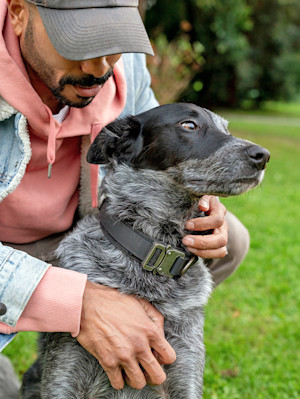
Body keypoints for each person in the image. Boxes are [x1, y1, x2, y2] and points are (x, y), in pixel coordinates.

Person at [0, 0, 249, 391]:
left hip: (81, 228)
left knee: (231, 238)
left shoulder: (123, 68)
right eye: (78, 41)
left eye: (112, 41)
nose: (98, 69)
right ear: (18, 13)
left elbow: (163, 138)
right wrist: (77, 301)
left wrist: (203, 197)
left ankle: (136, 332)